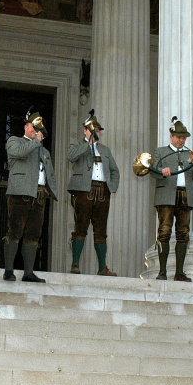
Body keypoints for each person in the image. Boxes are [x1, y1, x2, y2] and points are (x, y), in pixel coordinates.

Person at [3, 110, 57, 283]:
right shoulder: (15, 141)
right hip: (20, 193)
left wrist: (49, 188)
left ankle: (28, 272)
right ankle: (9, 270)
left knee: (33, 234)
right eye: (33, 126)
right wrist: (36, 142)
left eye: (38, 128)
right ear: (26, 126)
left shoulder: (43, 150)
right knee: (14, 231)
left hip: (38, 195)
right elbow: (19, 153)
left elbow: (49, 171)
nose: (36, 130)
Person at [149, 116, 193, 281]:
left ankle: (179, 272)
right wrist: (161, 171)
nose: (181, 140)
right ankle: (162, 271)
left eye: (184, 138)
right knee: (164, 232)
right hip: (166, 196)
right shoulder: (160, 151)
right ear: (171, 136)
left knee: (183, 233)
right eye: (179, 137)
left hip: (184, 196)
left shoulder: (189, 154)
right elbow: (151, 171)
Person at [66, 109, 120, 276]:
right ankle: (75, 263)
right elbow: (71, 156)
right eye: (94, 130)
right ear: (86, 130)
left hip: (102, 191)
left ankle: (102, 267)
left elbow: (114, 170)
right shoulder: (77, 145)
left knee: (101, 229)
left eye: (98, 130)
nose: (97, 133)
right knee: (80, 227)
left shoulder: (105, 150)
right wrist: (87, 143)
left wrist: (111, 187)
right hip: (83, 191)